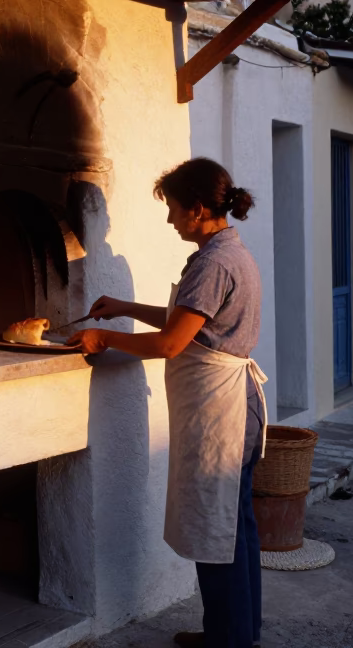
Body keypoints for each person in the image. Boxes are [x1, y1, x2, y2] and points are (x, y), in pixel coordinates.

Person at [67, 157, 266, 648]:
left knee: (215, 531)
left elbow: (172, 343)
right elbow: (189, 320)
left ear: (197, 208)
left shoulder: (213, 263)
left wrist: (103, 338)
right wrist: (125, 308)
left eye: (174, 208)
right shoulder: (228, 251)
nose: (171, 219)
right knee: (235, 528)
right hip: (232, 407)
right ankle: (236, 633)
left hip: (220, 413)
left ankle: (228, 641)